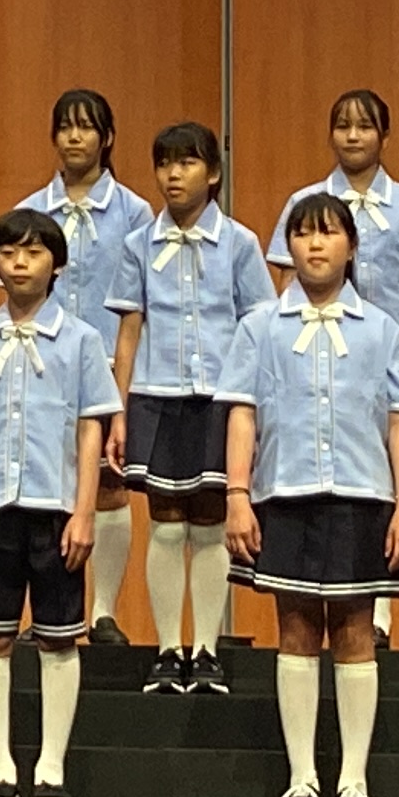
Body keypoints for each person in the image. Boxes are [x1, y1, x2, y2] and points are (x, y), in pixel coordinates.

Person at [219, 191, 399, 797]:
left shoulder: (383, 329)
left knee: (356, 630)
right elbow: (243, 415)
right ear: (288, 246)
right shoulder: (259, 327)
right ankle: (302, 777)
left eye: (328, 233)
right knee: (297, 629)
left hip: (363, 496)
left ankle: (353, 779)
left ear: (351, 246)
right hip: (284, 493)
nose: (314, 244)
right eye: (303, 233)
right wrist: (237, 496)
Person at [0, 209, 121, 797]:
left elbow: (91, 431)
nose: (20, 263)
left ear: (57, 265)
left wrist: (84, 512)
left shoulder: (82, 340)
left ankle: (50, 768)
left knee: (58, 639)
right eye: (9, 252)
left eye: (34, 252)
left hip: (56, 509)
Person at [264, 87, 399, 651]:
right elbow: (283, 283)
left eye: (365, 126)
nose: (353, 135)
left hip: (391, 351)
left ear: (384, 136)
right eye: (343, 125)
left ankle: (379, 612)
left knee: (380, 471)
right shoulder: (305, 200)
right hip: (312, 353)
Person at [111, 120, 272, 693]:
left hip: (219, 399)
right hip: (155, 396)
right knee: (164, 523)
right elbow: (129, 332)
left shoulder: (240, 243)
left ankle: (204, 648)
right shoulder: (138, 244)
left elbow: (258, 328)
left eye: (186, 163)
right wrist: (118, 410)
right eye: (164, 164)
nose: (173, 175)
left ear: (214, 173)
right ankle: (167, 648)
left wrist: (253, 404)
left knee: (208, 523)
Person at [21, 87, 153, 644]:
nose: (74, 137)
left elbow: (141, 303)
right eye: (65, 127)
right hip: (43, 364)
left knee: (110, 486)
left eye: (86, 127)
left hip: (107, 361)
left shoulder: (135, 212)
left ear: (108, 138)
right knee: (44, 485)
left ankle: (103, 611)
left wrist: (125, 380)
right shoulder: (32, 210)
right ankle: (46, 611)